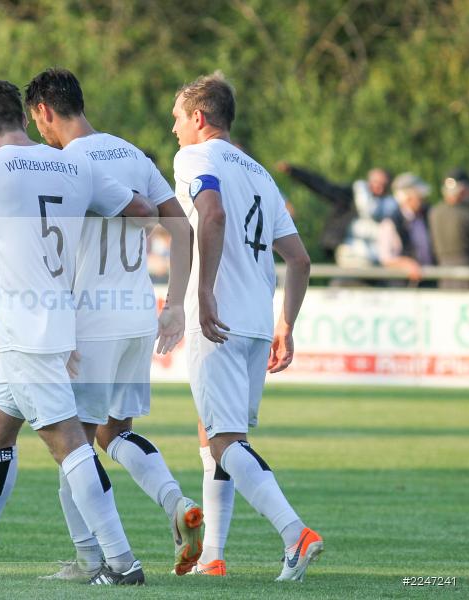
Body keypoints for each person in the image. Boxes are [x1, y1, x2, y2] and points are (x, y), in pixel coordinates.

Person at [0, 80, 155, 585]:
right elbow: (143, 210)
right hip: (58, 322)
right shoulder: (73, 165)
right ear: (24, 119)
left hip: (26, 330)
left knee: (68, 443)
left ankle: (122, 563)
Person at [23, 67, 201, 580]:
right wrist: (175, 304)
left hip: (90, 320)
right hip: (137, 313)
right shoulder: (132, 154)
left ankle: (91, 560)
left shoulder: (63, 165)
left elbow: (50, 254)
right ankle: (177, 503)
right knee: (113, 432)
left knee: (71, 442)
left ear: (44, 111)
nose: (40, 132)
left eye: (37, 121)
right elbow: (181, 228)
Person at [171, 72, 322, 581]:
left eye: (177, 118)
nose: (174, 129)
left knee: (225, 441)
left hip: (218, 318)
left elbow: (210, 214)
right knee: (214, 433)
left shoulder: (195, 157)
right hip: (257, 322)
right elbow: (299, 259)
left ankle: (295, 533)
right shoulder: (258, 171)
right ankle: (212, 556)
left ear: (198, 117)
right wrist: (286, 324)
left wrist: (204, 290)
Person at [276, 162, 397, 266]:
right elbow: (321, 185)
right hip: (349, 254)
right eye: (375, 182)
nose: (379, 188)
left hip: (378, 258)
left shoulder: (392, 207)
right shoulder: (350, 196)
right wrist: (294, 172)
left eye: (383, 185)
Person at [377, 173, 433, 285]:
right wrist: (406, 264)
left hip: (427, 282)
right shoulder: (390, 223)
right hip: (403, 285)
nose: (422, 199)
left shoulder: (425, 217)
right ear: (406, 197)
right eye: (418, 196)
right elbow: (386, 258)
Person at [428, 169, 469, 289]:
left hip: (443, 272)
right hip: (468, 272)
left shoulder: (434, 212)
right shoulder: (467, 214)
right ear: (463, 190)